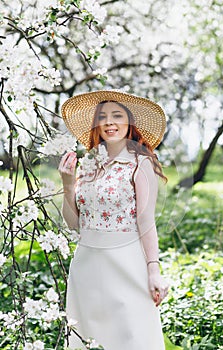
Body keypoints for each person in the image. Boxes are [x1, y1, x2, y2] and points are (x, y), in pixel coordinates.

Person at [59, 90, 169, 350]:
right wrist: (66, 185)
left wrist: (154, 270)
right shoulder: (87, 164)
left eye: (117, 115)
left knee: (132, 336)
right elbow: (75, 225)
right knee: (87, 338)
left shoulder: (140, 164)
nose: (109, 122)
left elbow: (146, 221)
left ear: (129, 122)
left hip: (126, 262)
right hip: (86, 264)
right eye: (103, 117)